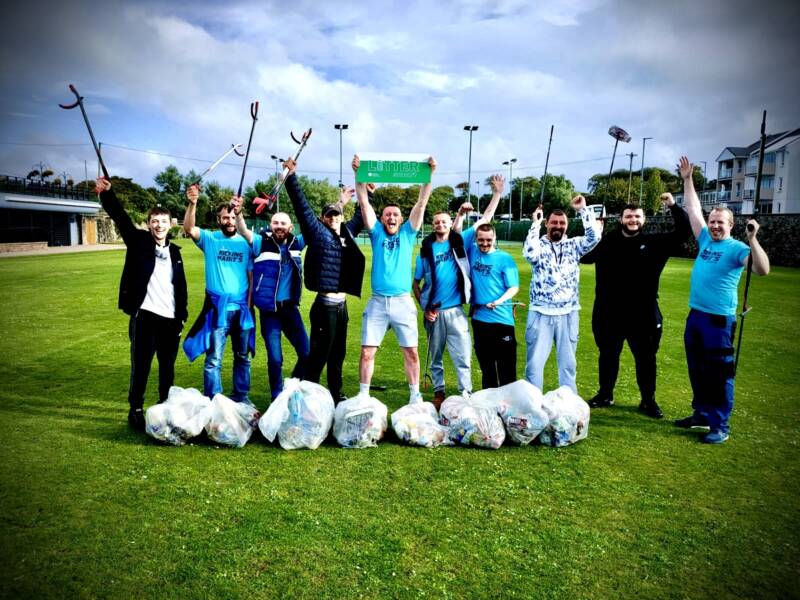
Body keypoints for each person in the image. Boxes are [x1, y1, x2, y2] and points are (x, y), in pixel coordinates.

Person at [675, 155, 769, 443]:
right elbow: (693, 209)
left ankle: (720, 425)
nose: (714, 226)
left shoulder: (737, 248)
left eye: (720, 223)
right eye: (713, 221)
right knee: (697, 369)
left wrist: (753, 239)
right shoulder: (704, 239)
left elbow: (762, 269)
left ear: (731, 225)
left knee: (720, 373)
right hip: (696, 316)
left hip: (719, 321)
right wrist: (687, 179)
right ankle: (701, 414)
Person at [581, 194, 691, 418]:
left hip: (643, 314)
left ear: (644, 220)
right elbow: (584, 257)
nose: (633, 220)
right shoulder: (606, 241)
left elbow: (684, 232)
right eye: (628, 216)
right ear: (621, 219)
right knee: (608, 355)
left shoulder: (655, 243)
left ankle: (648, 400)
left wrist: (672, 205)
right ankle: (605, 394)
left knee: (646, 359)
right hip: (608, 312)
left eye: (637, 216)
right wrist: (594, 234)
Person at [96, 177, 188, 431]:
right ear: (149, 224)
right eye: (154, 221)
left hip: (170, 320)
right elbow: (121, 218)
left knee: (167, 369)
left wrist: (182, 316)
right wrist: (108, 195)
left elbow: (180, 287)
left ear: (171, 225)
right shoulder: (138, 242)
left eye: (163, 222)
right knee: (141, 367)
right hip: (145, 316)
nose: (158, 225)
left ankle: (164, 406)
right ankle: (135, 409)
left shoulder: (176, 252)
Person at [282, 157, 367, 403]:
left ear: (342, 215)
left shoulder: (348, 232)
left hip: (342, 307)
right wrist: (291, 177)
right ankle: (310, 395)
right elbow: (301, 206)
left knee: (338, 353)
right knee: (319, 353)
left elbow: (363, 214)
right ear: (323, 218)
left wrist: (365, 188)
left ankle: (335, 393)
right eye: (329, 215)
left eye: (337, 214)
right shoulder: (317, 232)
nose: (333, 218)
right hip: (324, 306)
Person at [354, 154, 437, 404]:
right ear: (382, 219)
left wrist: (429, 176)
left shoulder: (408, 234)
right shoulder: (377, 233)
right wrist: (359, 175)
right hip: (378, 302)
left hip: (402, 302)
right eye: (387, 215)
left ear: (401, 220)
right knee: (367, 352)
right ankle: (363, 395)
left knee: (411, 352)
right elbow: (363, 202)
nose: (391, 218)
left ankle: (415, 396)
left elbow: (421, 204)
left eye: (395, 215)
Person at [183, 185, 255, 403]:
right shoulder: (210, 239)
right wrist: (193, 203)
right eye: (225, 217)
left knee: (243, 357)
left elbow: (251, 277)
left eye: (233, 217)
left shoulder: (247, 242)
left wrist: (250, 307)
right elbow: (189, 229)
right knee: (214, 359)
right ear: (218, 220)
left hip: (241, 310)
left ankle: (241, 397)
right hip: (218, 310)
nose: (230, 221)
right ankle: (214, 400)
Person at [522, 195, 601, 393]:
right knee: (534, 366)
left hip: (568, 312)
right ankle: (534, 407)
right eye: (554, 222)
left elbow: (595, 237)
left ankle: (568, 408)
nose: (558, 226)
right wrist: (535, 223)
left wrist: (583, 209)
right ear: (547, 223)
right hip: (540, 312)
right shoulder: (538, 244)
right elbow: (529, 253)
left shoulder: (574, 245)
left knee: (568, 365)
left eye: (562, 223)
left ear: (566, 225)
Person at [232, 204, 309, 402]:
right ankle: (276, 396)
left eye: (283, 223)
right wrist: (239, 213)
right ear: (270, 225)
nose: (279, 226)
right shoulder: (260, 242)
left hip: (290, 309)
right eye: (275, 223)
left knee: (307, 352)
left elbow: (313, 227)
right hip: (269, 311)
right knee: (275, 359)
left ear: (291, 227)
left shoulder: (297, 243)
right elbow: (243, 230)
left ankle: (292, 387)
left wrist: (341, 204)